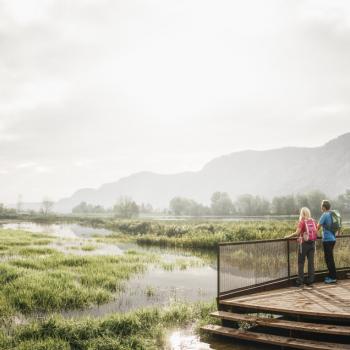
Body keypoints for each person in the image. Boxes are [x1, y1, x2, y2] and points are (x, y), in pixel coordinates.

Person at [285, 207, 317, 287]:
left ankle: (300, 281)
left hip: (303, 244)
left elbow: (297, 233)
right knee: (311, 263)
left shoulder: (302, 222)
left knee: (301, 262)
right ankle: (310, 280)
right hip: (312, 243)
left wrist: (288, 236)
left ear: (302, 214)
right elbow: (316, 231)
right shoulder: (313, 221)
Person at [318, 200, 337, 283]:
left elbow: (317, 227)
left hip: (327, 240)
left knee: (329, 259)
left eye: (321, 206)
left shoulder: (324, 215)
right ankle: (332, 276)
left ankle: (333, 277)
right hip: (333, 239)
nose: (321, 207)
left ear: (323, 207)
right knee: (330, 258)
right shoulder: (332, 214)